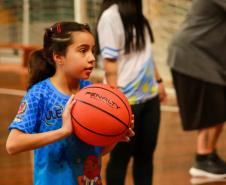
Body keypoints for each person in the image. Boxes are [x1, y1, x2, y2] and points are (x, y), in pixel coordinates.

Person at [6, 22, 134, 185]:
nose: (92, 58)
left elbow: (96, 152)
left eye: (93, 51)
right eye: (83, 51)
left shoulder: (93, 92)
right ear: (58, 56)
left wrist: (114, 135)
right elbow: (13, 144)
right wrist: (63, 131)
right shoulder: (40, 94)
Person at [96, 1, 167, 185]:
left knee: (146, 157)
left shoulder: (138, 15)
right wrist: (115, 100)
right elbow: (109, 62)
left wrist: (158, 81)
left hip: (149, 97)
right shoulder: (110, 17)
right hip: (126, 100)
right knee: (120, 159)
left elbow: (146, 53)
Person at [167, 0, 226, 179]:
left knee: (219, 110)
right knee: (213, 110)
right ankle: (203, 159)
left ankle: (210, 155)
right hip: (194, 56)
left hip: (207, 57)